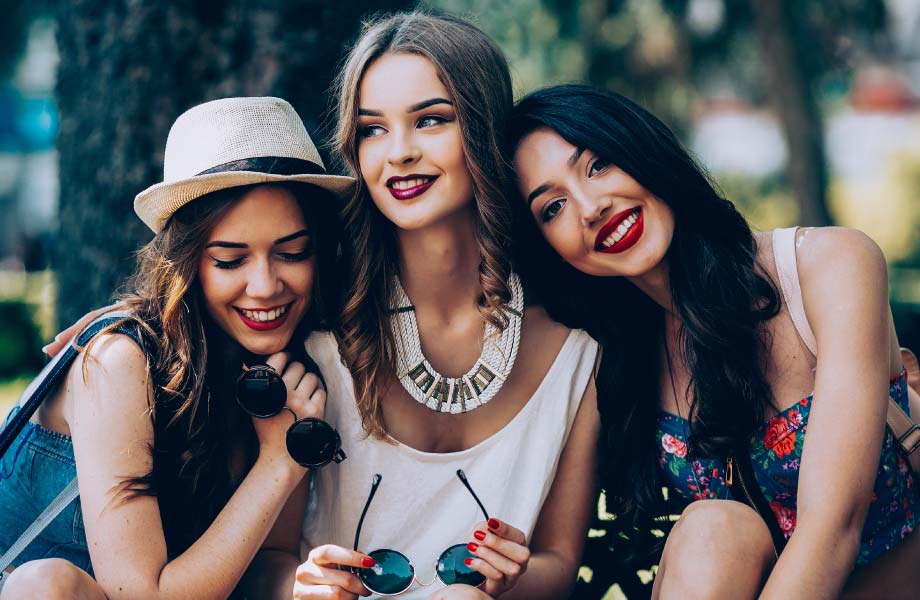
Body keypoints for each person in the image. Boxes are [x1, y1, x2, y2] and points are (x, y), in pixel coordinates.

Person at [507, 84, 920, 599]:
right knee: (713, 531)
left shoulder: (829, 267)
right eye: (552, 208)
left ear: (644, 149)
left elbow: (832, 528)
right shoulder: (614, 360)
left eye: (598, 165)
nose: (590, 207)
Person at [289, 13, 601, 600]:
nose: (399, 153)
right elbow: (270, 561)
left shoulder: (573, 347)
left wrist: (510, 577)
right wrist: (300, 585)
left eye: (430, 120)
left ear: (483, 131)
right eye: (372, 129)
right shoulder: (320, 326)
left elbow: (559, 565)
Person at [0, 96, 353, 600]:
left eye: (292, 252)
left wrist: (302, 588)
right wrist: (279, 463)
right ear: (188, 263)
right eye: (230, 261)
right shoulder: (120, 362)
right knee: (46, 585)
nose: (265, 285)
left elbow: (266, 562)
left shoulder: (285, 370)